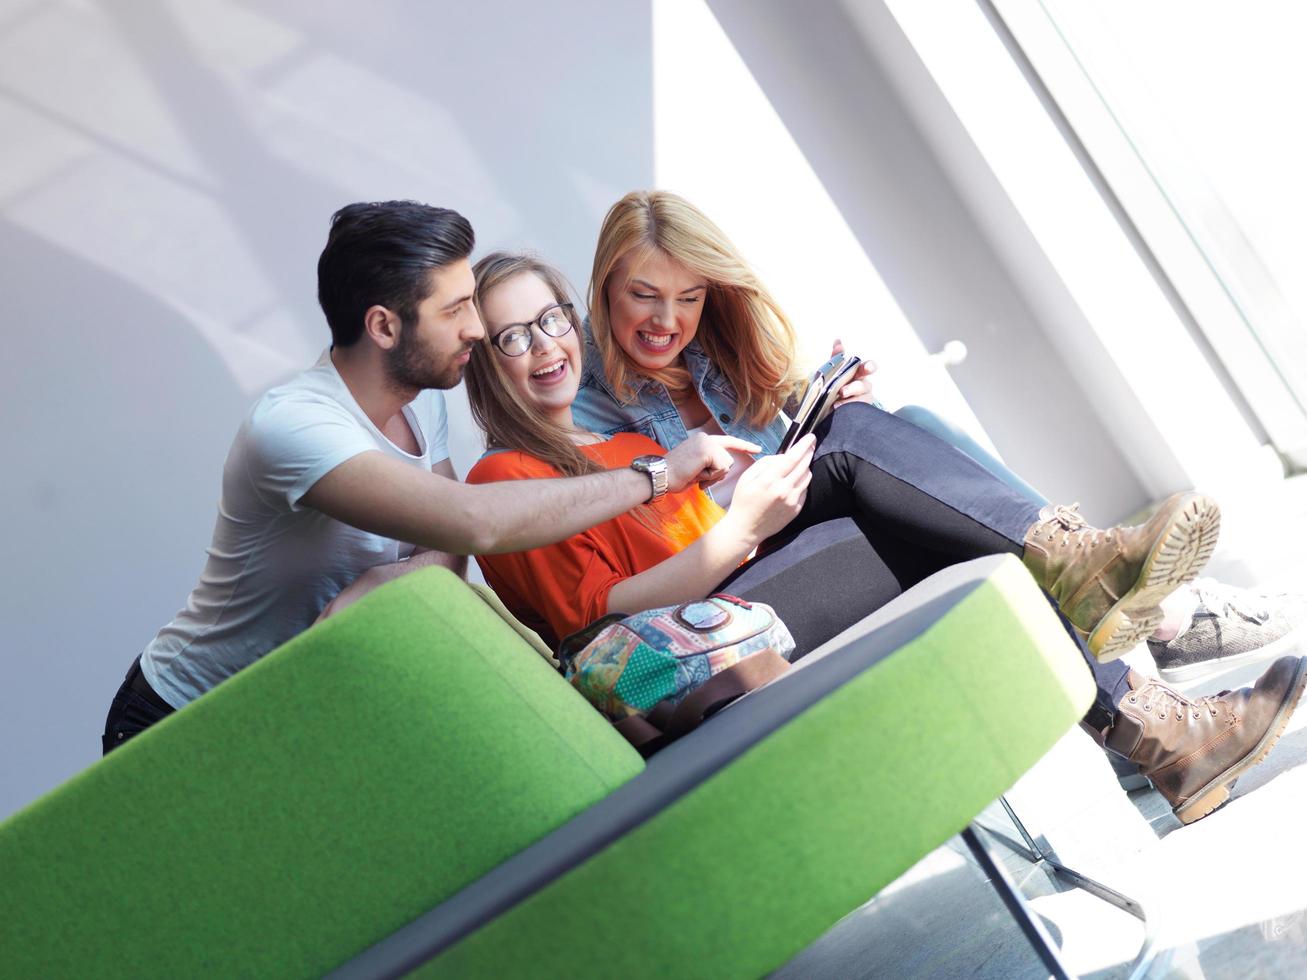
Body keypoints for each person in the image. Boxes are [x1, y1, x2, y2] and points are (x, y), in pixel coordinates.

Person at [464, 248, 1306, 826]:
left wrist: (773, 481)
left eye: (550, 320)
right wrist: (744, 527)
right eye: (510, 336)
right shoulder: (501, 482)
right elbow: (601, 626)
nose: (543, 347)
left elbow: (732, 559)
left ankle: (1159, 720)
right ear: (483, 362)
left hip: (733, 617)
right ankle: (1118, 639)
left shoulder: (633, 452)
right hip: (679, 671)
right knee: (891, 476)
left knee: (885, 453)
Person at [574, 190, 1305, 685]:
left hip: (803, 525)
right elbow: (652, 555)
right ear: (606, 286)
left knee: (907, 433)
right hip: (733, 580)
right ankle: (1151, 611)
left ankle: (1117, 635)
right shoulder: (582, 409)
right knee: (918, 482)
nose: (666, 319)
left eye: (689, 297)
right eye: (643, 294)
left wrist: (835, 407)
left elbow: (802, 449)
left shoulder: (717, 356)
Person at [101, 201, 751, 755]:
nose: (476, 329)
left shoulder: (422, 399)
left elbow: (447, 545)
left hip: (314, 685)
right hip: (184, 713)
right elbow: (474, 521)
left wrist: (397, 576)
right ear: (384, 326)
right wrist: (659, 473)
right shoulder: (295, 427)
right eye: (457, 310)